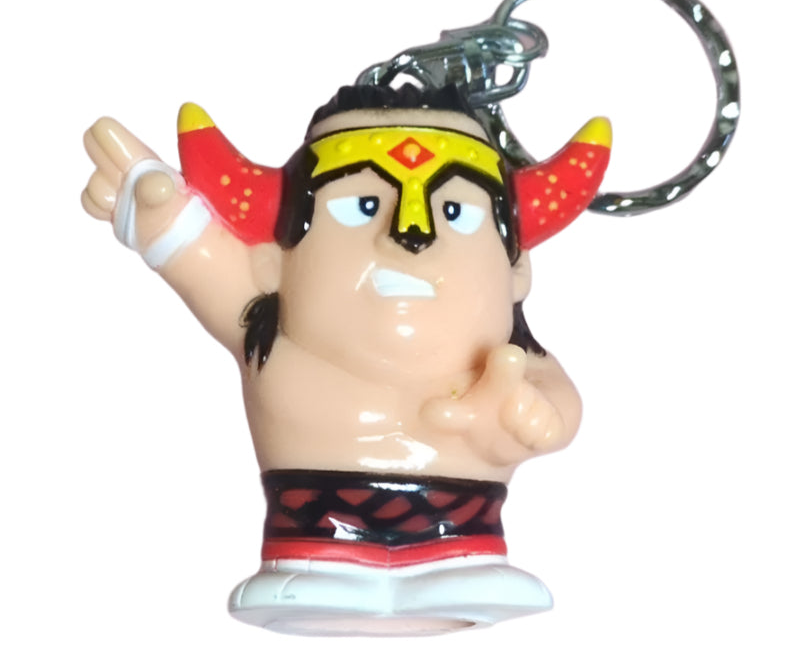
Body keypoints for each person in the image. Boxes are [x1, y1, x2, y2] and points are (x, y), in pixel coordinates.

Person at [82, 84, 611, 635]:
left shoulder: (512, 361)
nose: (410, 232)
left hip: (461, 532)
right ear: (272, 260)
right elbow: (199, 256)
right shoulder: (268, 329)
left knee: (463, 565)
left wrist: (526, 416)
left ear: (516, 271)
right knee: (316, 568)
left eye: (454, 212)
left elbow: (559, 409)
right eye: (363, 207)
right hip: (313, 536)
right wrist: (154, 210)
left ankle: (455, 567)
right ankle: (325, 570)